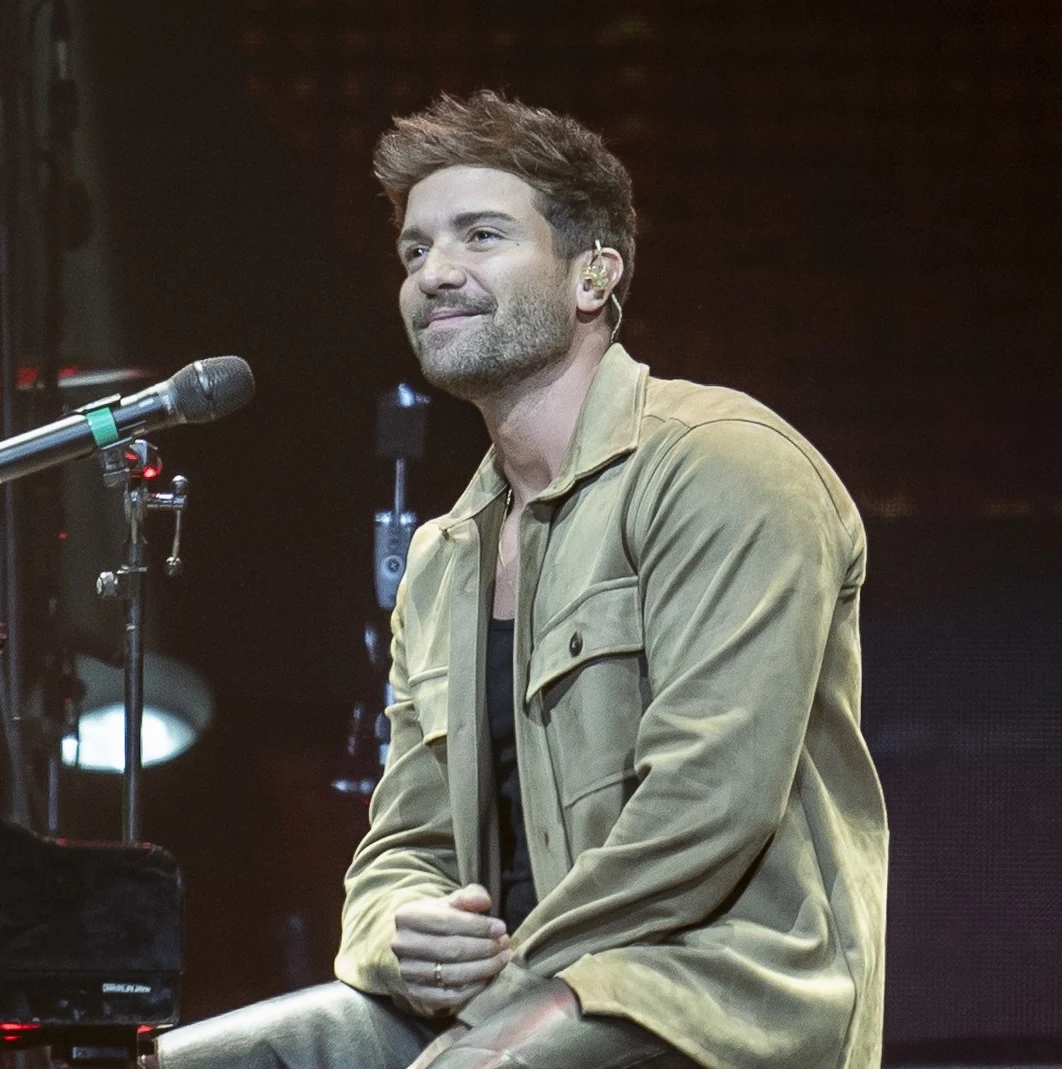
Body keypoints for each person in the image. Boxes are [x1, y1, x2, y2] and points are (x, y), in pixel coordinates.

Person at [150, 91, 886, 1069]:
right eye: (414, 251)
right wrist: (406, 935)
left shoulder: (725, 467)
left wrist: (501, 985)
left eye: (481, 236)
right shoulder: (443, 553)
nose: (435, 274)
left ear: (594, 274)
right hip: (498, 996)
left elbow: (708, 806)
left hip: (703, 998)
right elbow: (399, 842)